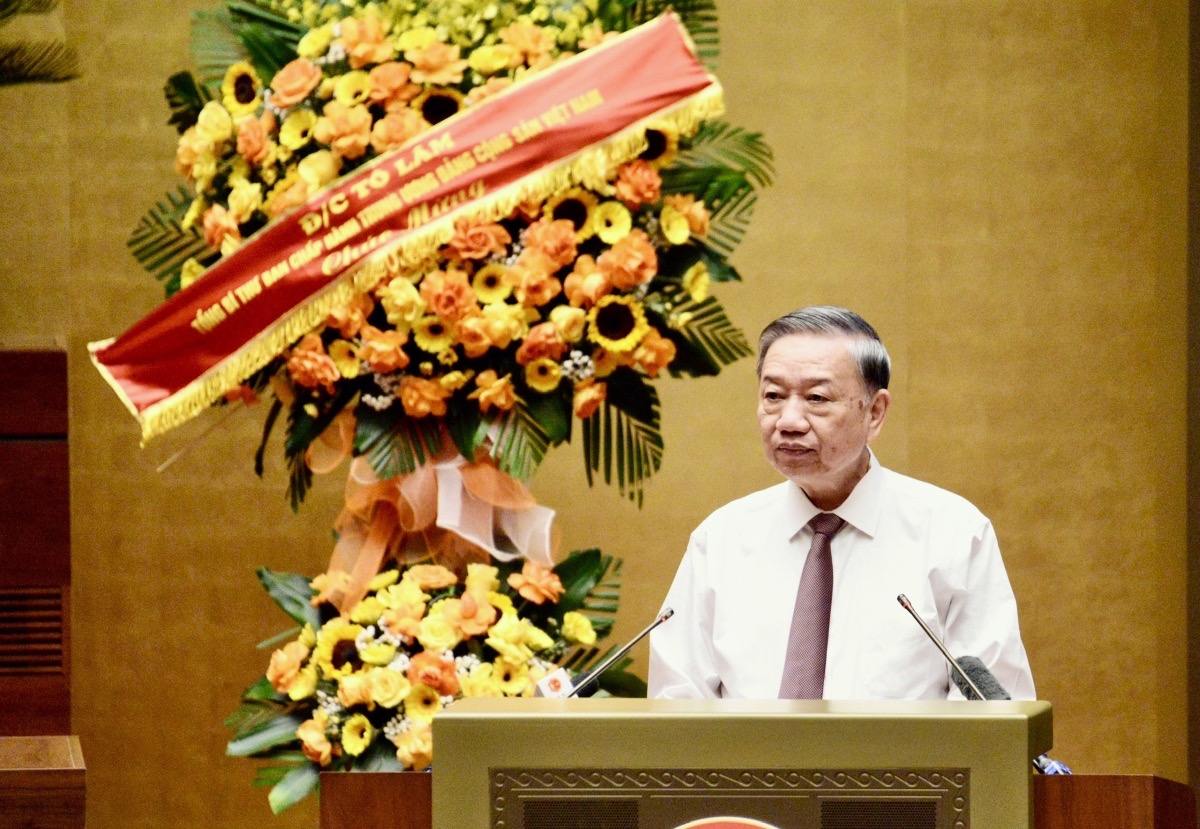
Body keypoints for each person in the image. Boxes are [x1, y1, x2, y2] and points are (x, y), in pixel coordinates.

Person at [648, 306, 1035, 700]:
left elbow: (995, 710)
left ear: (875, 413)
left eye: (816, 397)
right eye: (773, 396)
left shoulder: (953, 534)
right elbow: (676, 703)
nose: (789, 421)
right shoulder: (720, 540)